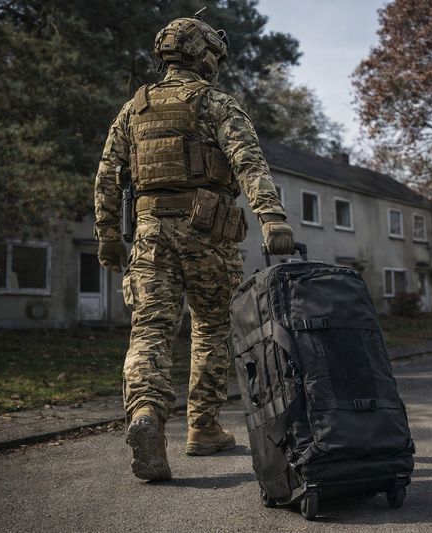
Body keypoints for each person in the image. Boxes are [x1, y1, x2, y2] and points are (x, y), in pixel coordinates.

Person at [93, 14, 294, 481]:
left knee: (149, 330)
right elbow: (249, 161)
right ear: (206, 56)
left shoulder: (133, 109)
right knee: (210, 326)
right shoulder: (215, 103)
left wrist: (106, 234)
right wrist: (272, 218)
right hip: (207, 233)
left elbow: (107, 175)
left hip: (148, 233)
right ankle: (202, 427)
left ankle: (145, 414)